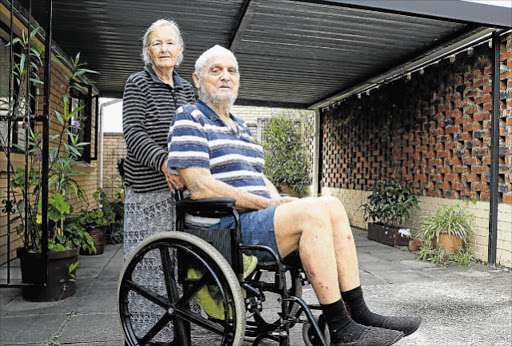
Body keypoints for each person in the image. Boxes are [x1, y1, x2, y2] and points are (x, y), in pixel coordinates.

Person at [167, 45, 422, 346]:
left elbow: (257, 177)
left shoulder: (240, 127)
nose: (225, 77)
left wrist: (281, 200)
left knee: (331, 204)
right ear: (197, 80)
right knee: (311, 214)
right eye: (216, 70)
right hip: (223, 229)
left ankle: (359, 313)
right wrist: (270, 204)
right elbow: (200, 186)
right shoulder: (189, 117)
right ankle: (341, 329)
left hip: (256, 219)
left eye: (232, 71)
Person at [122, 18, 194, 343]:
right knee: (148, 270)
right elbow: (133, 133)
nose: (164, 49)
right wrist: (164, 161)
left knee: (180, 270)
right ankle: (144, 337)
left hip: (182, 194)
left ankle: (179, 335)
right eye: (157, 43)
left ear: (179, 50)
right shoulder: (138, 83)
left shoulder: (186, 88)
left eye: (169, 43)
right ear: (148, 50)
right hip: (149, 195)